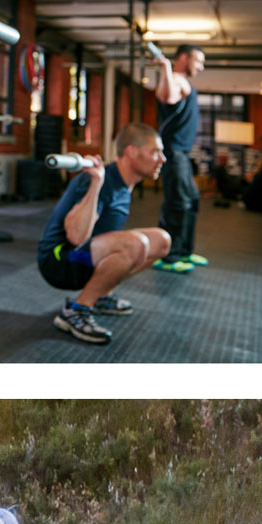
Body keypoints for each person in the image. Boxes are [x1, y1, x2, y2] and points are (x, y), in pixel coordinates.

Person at [36, 122, 170, 344]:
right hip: (59, 259)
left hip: (84, 256)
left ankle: (100, 296)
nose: (162, 159)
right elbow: (76, 237)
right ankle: (76, 311)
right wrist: (96, 184)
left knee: (161, 241)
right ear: (131, 152)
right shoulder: (99, 180)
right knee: (136, 244)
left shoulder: (125, 182)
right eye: (155, 152)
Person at [152, 44, 207, 271]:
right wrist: (165, 67)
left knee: (191, 200)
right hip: (172, 152)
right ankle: (169, 256)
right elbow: (168, 96)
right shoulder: (175, 79)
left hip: (181, 153)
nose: (201, 67)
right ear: (183, 58)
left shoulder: (181, 80)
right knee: (178, 202)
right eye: (199, 61)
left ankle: (185, 252)